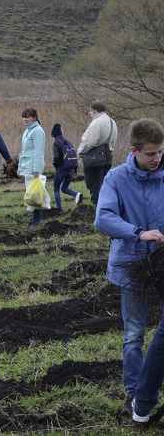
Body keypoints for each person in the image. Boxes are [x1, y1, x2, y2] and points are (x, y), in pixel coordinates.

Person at [92, 118, 164, 423]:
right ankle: (135, 393)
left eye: (160, 152)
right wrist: (138, 232)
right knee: (134, 333)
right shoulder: (116, 178)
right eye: (150, 154)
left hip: (163, 263)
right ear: (134, 150)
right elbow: (103, 217)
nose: (157, 158)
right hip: (132, 265)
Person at [78, 100, 118, 205]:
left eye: (90, 111)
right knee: (104, 184)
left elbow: (90, 142)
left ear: (95, 110)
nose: (90, 114)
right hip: (107, 156)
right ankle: (106, 207)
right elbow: (113, 141)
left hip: (95, 159)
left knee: (95, 185)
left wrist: (80, 151)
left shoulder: (97, 122)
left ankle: (96, 209)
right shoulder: (112, 122)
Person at [19, 108, 46, 228]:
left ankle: (36, 220)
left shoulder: (38, 131)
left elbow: (38, 152)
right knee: (31, 194)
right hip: (27, 166)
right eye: (23, 117)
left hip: (33, 168)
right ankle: (35, 218)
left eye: (28, 117)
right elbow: (24, 151)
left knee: (35, 194)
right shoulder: (27, 131)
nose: (25, 119)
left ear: (34, 118)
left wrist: (37, 170)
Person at [51, 123, 82, 210]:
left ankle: (59, 209)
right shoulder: (68, 142)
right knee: (64, 188)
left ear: (53, 134)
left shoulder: (56, 143)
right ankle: (77, 195)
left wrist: (56, 166)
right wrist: (75, 170)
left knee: (56, 189)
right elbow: (73, 156)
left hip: (61, 169)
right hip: (70, 169)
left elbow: (56, 157)